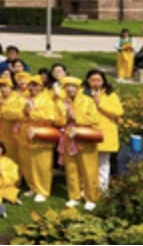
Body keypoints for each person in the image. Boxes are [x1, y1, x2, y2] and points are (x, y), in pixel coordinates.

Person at [56, 76, 101, 211]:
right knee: (71, 169)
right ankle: (74, 196)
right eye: (67, 86)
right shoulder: (62, 102)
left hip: (85, 139)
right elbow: (56, 119)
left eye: (72, 86)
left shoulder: (87, 101)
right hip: (69, 138)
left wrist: (76, 117)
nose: (70, 89)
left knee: (89, 170)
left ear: (78, 88)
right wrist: (66, 118)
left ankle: (91, 197)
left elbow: (95, 119)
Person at [85, 70, 123, 192]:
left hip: (105, 134)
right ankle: (88, 187)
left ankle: (102, 187)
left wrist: (100, 104)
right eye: (92, 80)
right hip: (88, 133)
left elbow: (118, 112)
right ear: (87, 81)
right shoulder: (83, 95)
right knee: (87, 163)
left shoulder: (110, 95)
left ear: (103, 81)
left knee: (103, 163)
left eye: (98, 80)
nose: (95, 83)